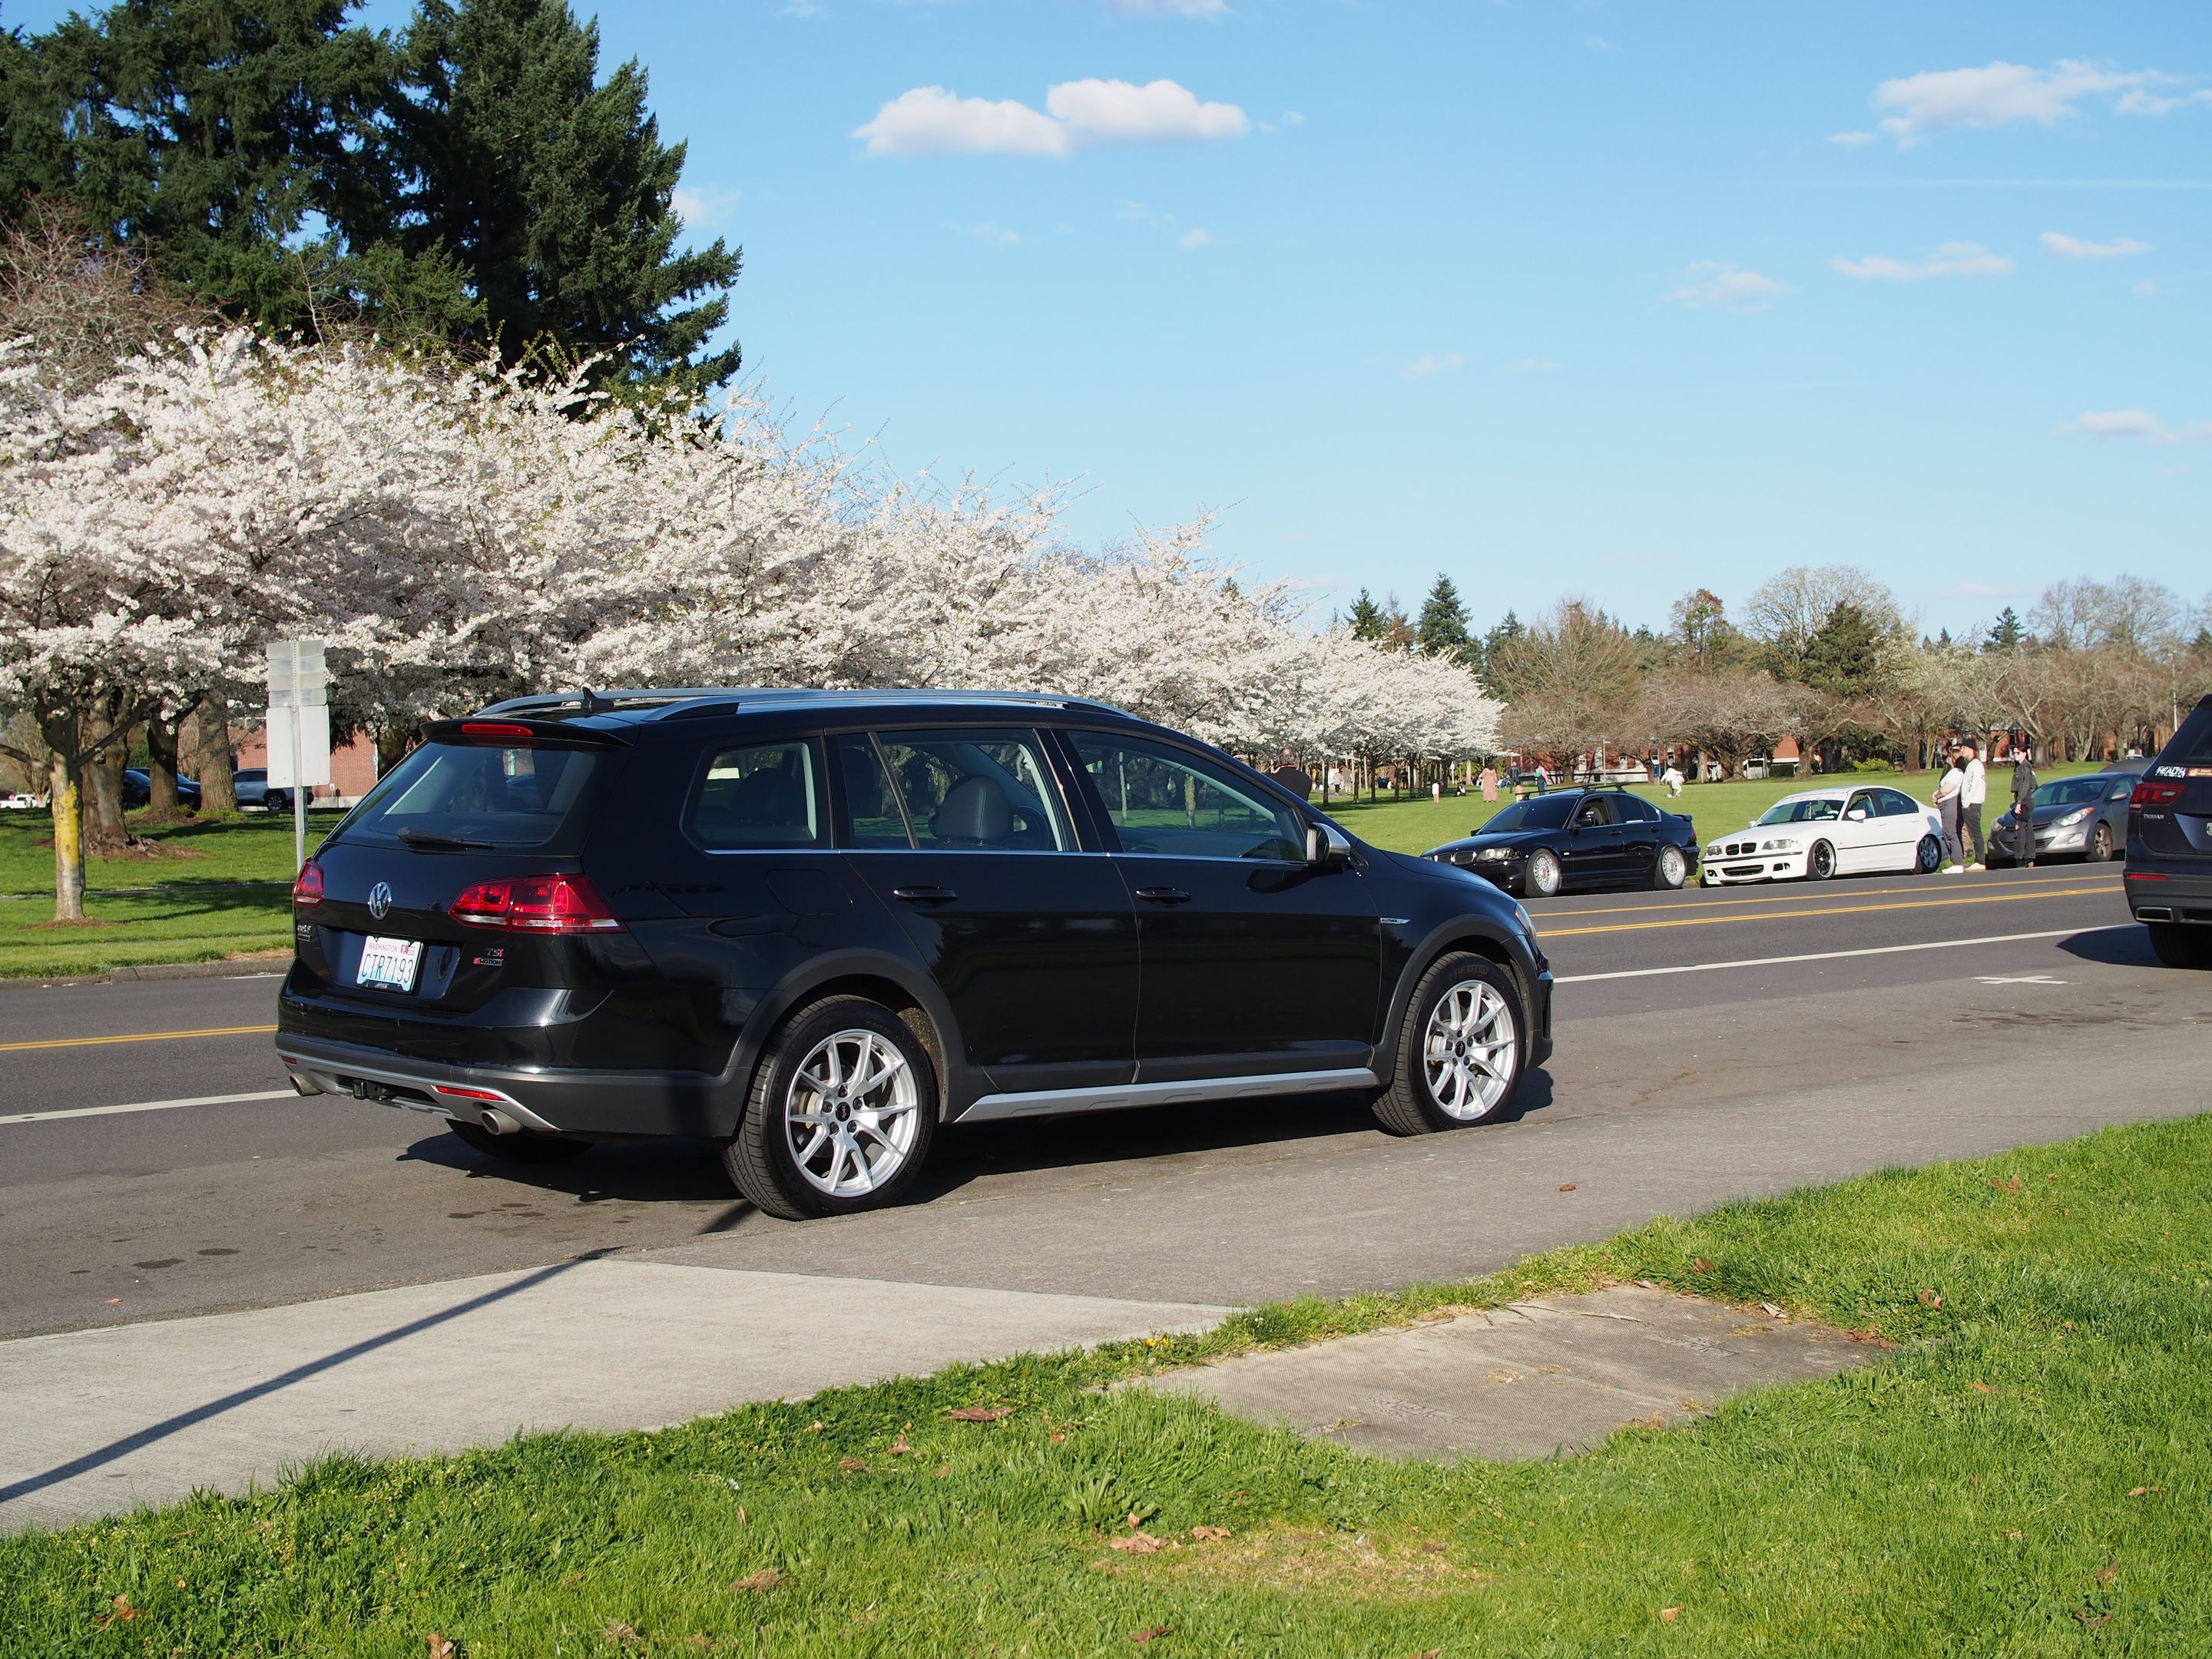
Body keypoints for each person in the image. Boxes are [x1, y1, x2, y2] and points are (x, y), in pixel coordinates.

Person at [1933, 746, 1967, 873]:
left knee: (1951, 832)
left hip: (1950, 805)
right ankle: (1957, 861)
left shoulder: (1956, 772)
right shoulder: (1955, 772)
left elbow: (1947, 789)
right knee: (1951, 832)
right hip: (1947, 804)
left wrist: (1937, 795)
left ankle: (1957, 862)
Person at [1959, 740, 1987, 872]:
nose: (1962, 751)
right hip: (1970, 803)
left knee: (1976, 833)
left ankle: (1980, 861)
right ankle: (1979, 860)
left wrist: (1966, 803)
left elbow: (1972, 785)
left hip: (1972, 804)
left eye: (1964, 748)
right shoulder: (1971, 765)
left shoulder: (1975, 765)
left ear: (1971, 749)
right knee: (1973, 832)